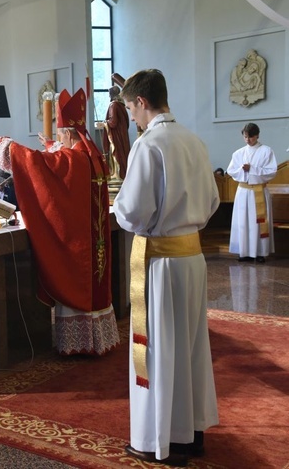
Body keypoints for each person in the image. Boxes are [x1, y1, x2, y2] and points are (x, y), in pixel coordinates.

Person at [112, 69, 220, 466]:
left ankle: (158, 440)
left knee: (155, 349)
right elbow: (211, 202)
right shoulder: (194, 140)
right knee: (190, 345)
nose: (131, 118)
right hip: (192, 258)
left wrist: (120, 209)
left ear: (142, 102)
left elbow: (134, 211)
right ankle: (191, 432)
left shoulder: (149, 144)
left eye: (130, 109)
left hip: (160, 264)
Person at [0, 87, 120, 357]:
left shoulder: (74, 158)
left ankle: (79, 345)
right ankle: (97, 339)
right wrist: (50, 145)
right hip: (97, 247)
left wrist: (7, 145)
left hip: (80, 249)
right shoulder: (91, 156)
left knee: (75, 276)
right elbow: (59, 163)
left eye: (60, 136)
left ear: (68, 134)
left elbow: (40, 166)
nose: (59, 140)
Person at [226, 122, 277, 263]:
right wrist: (242, 169)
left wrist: (252, 169)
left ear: (257, 135)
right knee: (242, 222)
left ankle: (260, 252)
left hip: (259, 191)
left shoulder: (266, 151)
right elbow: (231, 171)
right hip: (243, 192)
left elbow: (271, 172)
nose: (248, 140)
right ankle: (244, 252)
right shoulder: (238, 153)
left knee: (258, 223)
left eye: (251, 137)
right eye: (245, 137)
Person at [99, 85, 131, 179]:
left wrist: (104, 123)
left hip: (116, 136)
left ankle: (117, 174)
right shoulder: (121, 105)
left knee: (117, 154)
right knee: (123, 154)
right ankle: (122, 174)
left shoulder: (113, 105)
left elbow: (113, 122)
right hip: (122, 135)